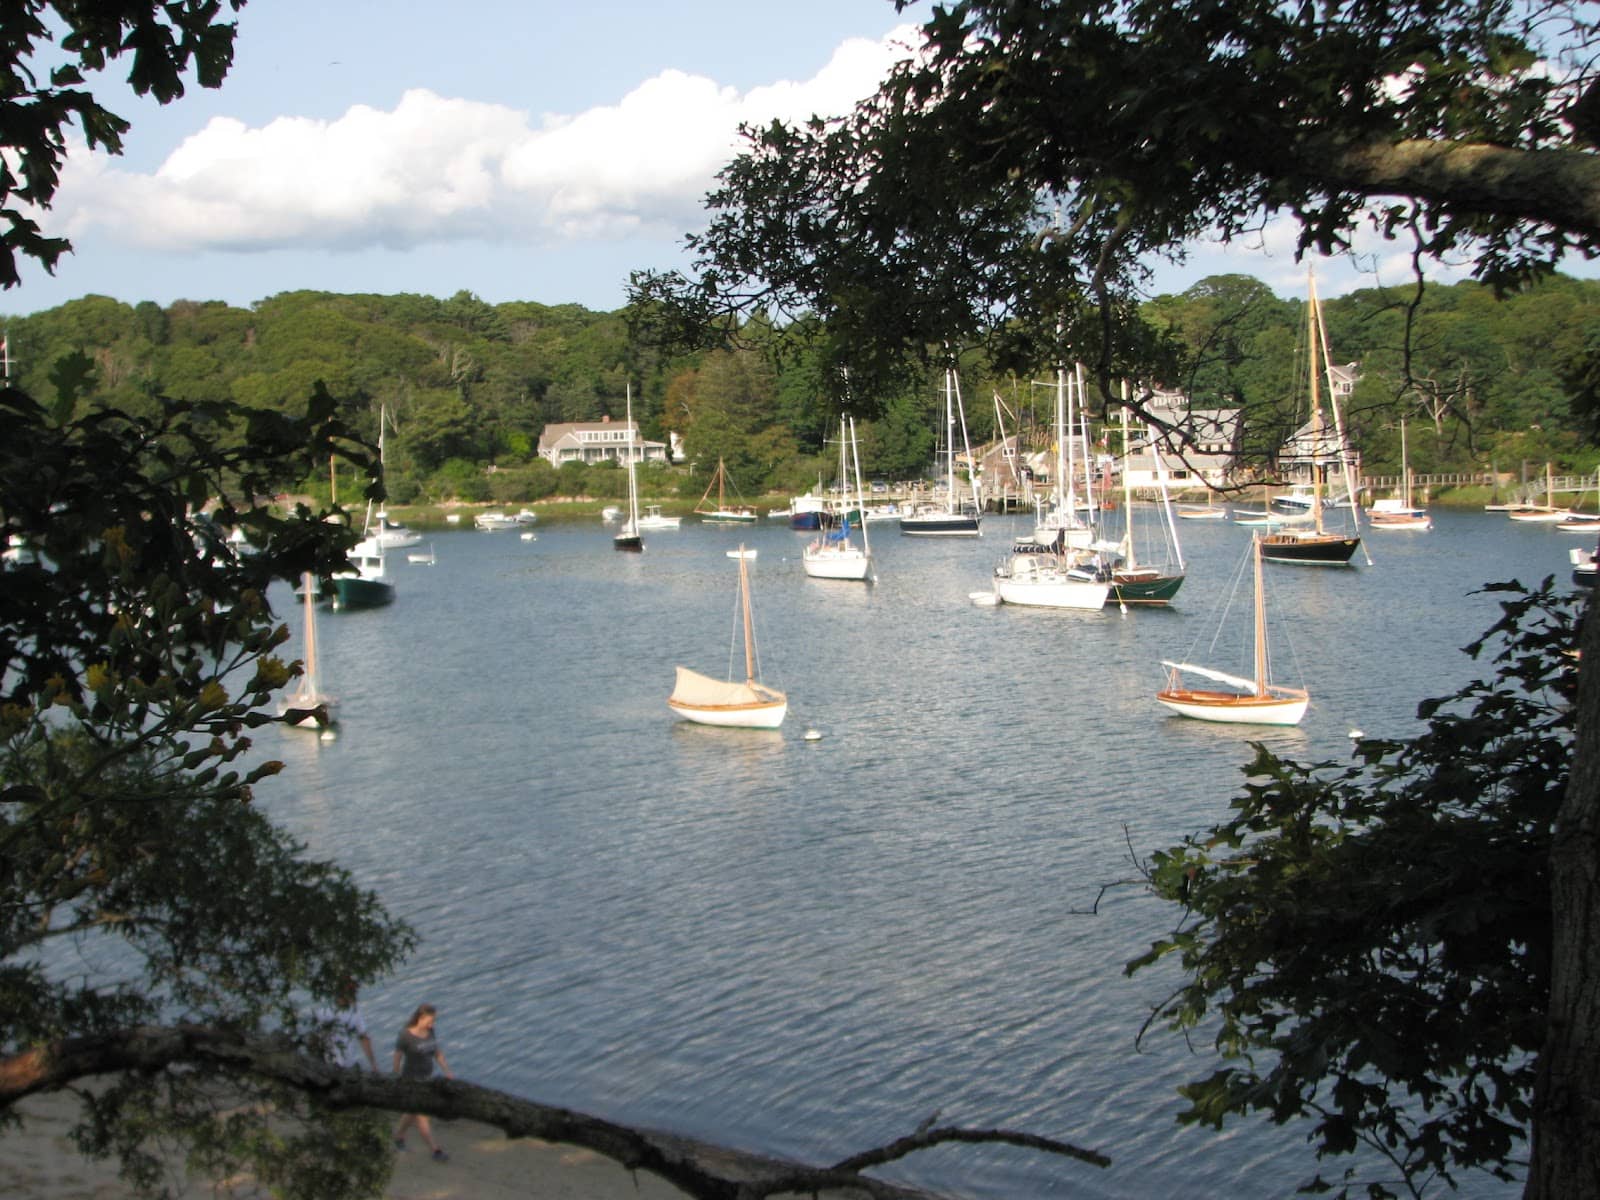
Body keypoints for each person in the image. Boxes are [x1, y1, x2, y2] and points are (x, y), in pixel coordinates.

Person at [393, 1003, 453, 1162]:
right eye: (430, 1020)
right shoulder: (405, 1035)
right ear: (421, 1018)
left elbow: (437, 1053)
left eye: (434, 1020)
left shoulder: (431, 1032)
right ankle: (435, 1150)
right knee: (422, 1114)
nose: (432, 1023)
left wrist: (447, 1072)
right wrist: (396, 1078)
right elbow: (397, 1057)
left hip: (427, 1079)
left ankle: (398, 1137)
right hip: (411, 1081)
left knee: (412, 1112)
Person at [310, 977, 379, 1072]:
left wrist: (374, 1065)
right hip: (330, 1066)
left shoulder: (355, 1011)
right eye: (352, 992)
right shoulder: (324, 1013)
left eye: (354, 991)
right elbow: (314, 1039)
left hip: (349, 1065)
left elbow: (364, 1038)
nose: (355, 995)